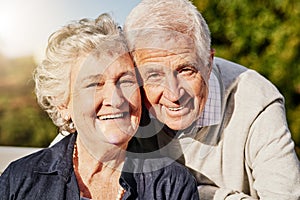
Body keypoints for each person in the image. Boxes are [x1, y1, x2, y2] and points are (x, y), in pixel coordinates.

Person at [0, 13, 199, 199]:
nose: (116, 99)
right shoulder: (20, 180)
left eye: (126, 81)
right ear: (63, 104)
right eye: (95, 84)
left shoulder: (171, 186)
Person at [123, 0, 300, 199]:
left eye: (186, 70)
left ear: (208, 63)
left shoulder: (255, 99)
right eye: (154, 75)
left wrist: (202, 195)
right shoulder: (125, 104)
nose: (174, 95)